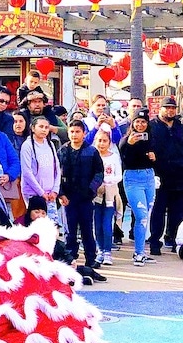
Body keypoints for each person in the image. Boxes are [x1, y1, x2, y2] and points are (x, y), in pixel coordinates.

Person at [58, 120, 106, 283]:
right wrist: (61, 193)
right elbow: (57, 174)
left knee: (87, 228)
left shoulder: (91, 152)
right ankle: (70, 257)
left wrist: (92, 189)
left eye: (77, 131)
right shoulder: (62, 151)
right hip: (68, 197)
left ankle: (91, 258)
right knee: (70, 230)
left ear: (84, 133)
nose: (74, 135)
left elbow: (99, 173)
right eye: (71, 131)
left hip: (86, 196)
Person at [149, 95, 183, 257]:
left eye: (172, 108)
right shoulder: (152, 126)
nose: (170, 111)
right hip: (161, 174)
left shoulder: (181, 126)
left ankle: (174, 240)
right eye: (167, 107)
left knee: (177, 211)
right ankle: (155, 242)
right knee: (159, 210)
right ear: (160, 109)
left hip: (181, 173)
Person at [119, 109, 157, 266]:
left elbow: (156, 158)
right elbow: (124, 158)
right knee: (140, 215)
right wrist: (130, 145)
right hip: (132, 179)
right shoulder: (125, 140)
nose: (140, 125)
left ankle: (141, 250)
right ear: (132, 123)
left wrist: (154, 158)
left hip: (149, 177)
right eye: (137, 122)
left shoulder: (151, 139)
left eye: (143, 122)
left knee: (146, 216)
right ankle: (138, 253)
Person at [92, 129, 122, 267]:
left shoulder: (114, 156)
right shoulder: (92, 155)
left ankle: (108, 251)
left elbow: (119, 175)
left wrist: (106, 181)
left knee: (106, 223)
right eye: (99, 140)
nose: (102, 144)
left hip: (110, 194)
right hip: (95, 194)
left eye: (105, 141)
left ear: (109, 143)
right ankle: (100, 250)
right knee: (97, 224)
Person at [19, 116, 60, 210]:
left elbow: (57, 168)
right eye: (41, 127)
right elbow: (27, 172)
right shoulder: (27, 145)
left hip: (50, 193)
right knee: (37, 223)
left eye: (46, 127)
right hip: (33, 192)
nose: (44, 130)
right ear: (33, 128)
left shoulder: (50, 144)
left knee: (53, 223)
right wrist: (41, 193)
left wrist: (55, 190)